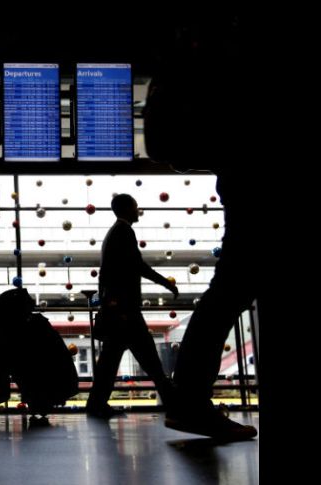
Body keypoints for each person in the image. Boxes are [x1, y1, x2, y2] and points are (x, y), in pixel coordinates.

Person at [143, 18, 261, 441]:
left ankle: (189, 400)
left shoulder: (193, 59)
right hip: (250, 179)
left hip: (241, 180)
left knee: (227, 294)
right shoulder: (227, 57)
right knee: (229, 294)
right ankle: (190, 400)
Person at [86, 193, 179, 419]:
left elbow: (108, 273)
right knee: (149, 361)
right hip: (125, 311)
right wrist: (166, 283)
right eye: (136, 207)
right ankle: (175, 404)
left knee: (112, 361)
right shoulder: (124, 231)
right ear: (127, 209)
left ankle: (96, 404)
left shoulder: (114, 233)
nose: (138, 211)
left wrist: (107, 302)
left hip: (118, 310)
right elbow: (138, 266)